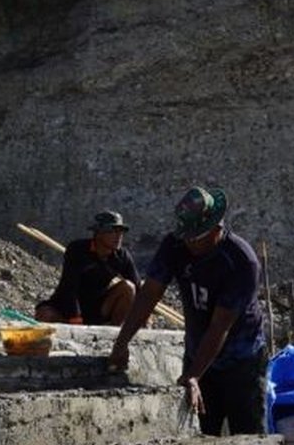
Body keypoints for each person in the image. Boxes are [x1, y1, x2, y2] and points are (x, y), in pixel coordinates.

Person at [108, 186, 267, 436]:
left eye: (196, 238)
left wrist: (194, 376)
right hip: (198, 350)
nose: (189, 243)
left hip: (241, 359)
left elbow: (220, 326)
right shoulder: (175, 245)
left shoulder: (240, 261)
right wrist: (121, 343)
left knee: (246, 434)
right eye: (186, 237)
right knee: (200, 432)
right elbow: (149, 294)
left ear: (215, 229)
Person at [35, 210, 140, 326]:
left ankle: (114, 330)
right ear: (99, 233)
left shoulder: (122, 256)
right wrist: (75, 316)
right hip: (68, 305)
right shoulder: (77, 250)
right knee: (44, 314)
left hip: (98, 307)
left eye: (121, 232)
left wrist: (144, 314)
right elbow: (69, 286)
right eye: (113, 231)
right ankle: (71, 324)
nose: (119, 236)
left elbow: (137, 286)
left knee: (129, 288)